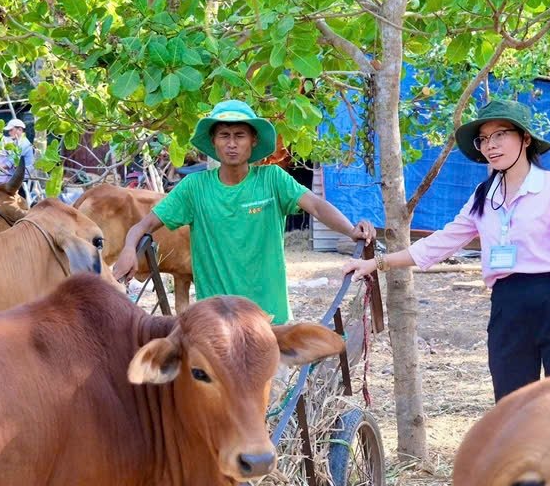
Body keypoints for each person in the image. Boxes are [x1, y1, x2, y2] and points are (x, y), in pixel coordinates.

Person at [344, 98, 550, 403]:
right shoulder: (483, 195)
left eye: (501, 134)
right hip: (507, 305)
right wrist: (378, 263)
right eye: (484, 139)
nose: (491, 145)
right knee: (512, 408)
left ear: (526, 139)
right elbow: (443, 242)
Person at [112, 100, 375, 324]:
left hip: (269, 319)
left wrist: (351, 230)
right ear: (214, 142)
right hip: (217, 321)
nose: (232, 144)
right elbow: (143, 225)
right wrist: (128, 250)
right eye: (224, 136)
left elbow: (316, 205)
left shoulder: (272, 179)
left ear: (253, 141)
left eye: (239, 135)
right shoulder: (194, 187)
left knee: (273, 385)